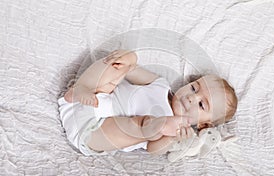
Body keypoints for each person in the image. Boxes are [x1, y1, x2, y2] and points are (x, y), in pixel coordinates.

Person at [58, 49, 238, 156]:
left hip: (94, 135)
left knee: (142, 127)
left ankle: (150, 126)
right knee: (120, 64)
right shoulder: (160, 85)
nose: (191, 97)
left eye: (201, 104)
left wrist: (173, 137)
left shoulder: (174, 129)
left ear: (203, 124)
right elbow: (130, 71)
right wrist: (128, 60)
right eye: (193, 88)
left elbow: (154, 149)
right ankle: (81, 86)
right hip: (83, 101)